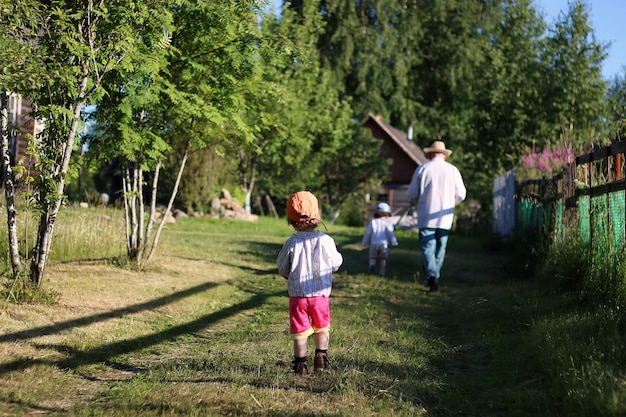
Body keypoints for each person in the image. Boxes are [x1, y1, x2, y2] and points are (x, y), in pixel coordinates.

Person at [277, 190, 343, 376]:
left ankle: (300, 365)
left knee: (300, 331)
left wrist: (291, 276)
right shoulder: (325, 241)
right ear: (316, 214)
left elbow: (282, 268)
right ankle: (321, 358)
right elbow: (336, 263)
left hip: (297, 296)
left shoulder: (291, 243)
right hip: (320, 295)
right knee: (322, 326)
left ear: (290, 219)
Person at [408, 140, 466, 293]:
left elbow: (413, 193)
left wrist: (415, 203)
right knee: (440, 248)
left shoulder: (422, 169)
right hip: (445, 217)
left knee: (428, 247)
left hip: (426, 214)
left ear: (430, 154)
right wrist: (451, 203)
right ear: (444, 155)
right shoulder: (453, 170)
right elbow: (461, 194)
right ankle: (434, 275)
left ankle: (432, 276)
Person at [361, 202, 398, 276]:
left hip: (374, 243)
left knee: (372, 257)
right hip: (384, 244)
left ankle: (372, 265)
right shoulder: (387, 223)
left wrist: (364, 242)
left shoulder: (373, 222)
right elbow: (391, 233)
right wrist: (394, 242)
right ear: (387, 213)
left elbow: (368, 233)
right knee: (382, 259)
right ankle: (382, 273)